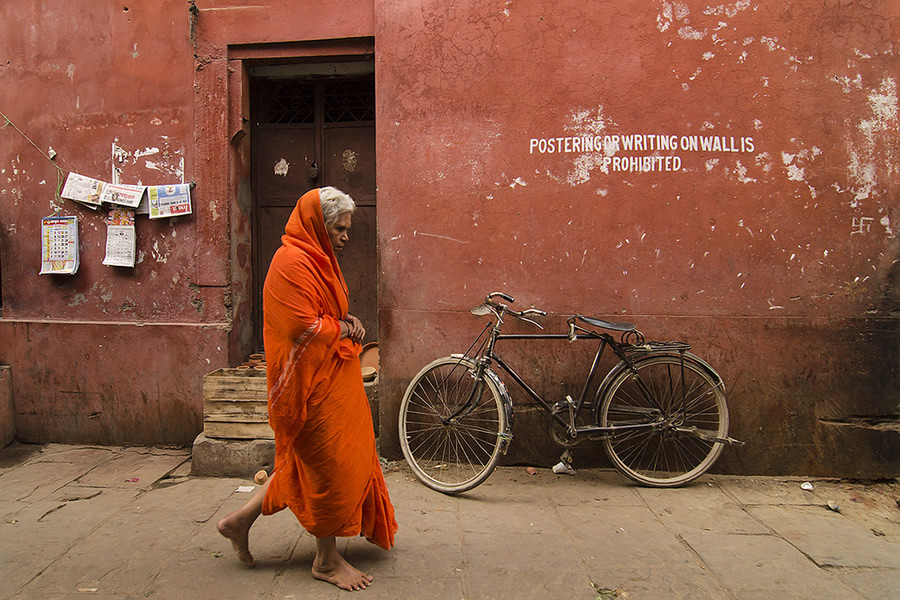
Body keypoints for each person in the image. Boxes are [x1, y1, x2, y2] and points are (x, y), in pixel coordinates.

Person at [217, 187, 397, 591]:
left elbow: (323, 311)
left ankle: (238, 521)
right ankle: (326, 561)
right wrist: (340, 327)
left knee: (303, 466)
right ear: (318, 223)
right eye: (340, 228)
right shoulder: (291, 261)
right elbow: (303, 326)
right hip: (309, 385)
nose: (346, 237)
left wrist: (343, 319)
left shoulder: (318, 259)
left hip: (332, 375)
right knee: (327, 466)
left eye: (348, 229)